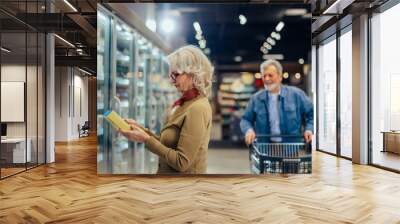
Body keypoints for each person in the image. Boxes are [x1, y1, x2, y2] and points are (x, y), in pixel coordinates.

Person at [119, 45, 213, 174]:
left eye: (175, 75)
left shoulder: (198, 108)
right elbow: (169, 145)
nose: (171, 81)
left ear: (193, 73)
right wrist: (143, 132)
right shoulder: (185, 103)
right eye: (170, 75)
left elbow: (181, 162)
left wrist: (146, 139)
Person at [240, 59, 313, 145]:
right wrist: (249, 130)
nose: (267, 79)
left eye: (270, 75)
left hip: (291, 148)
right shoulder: (256, 99)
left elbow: (312, 114)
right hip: (265, 148)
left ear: (280, 77)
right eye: (264, 76)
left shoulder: (297, 95)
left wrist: (309, 129)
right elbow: (246, 119)